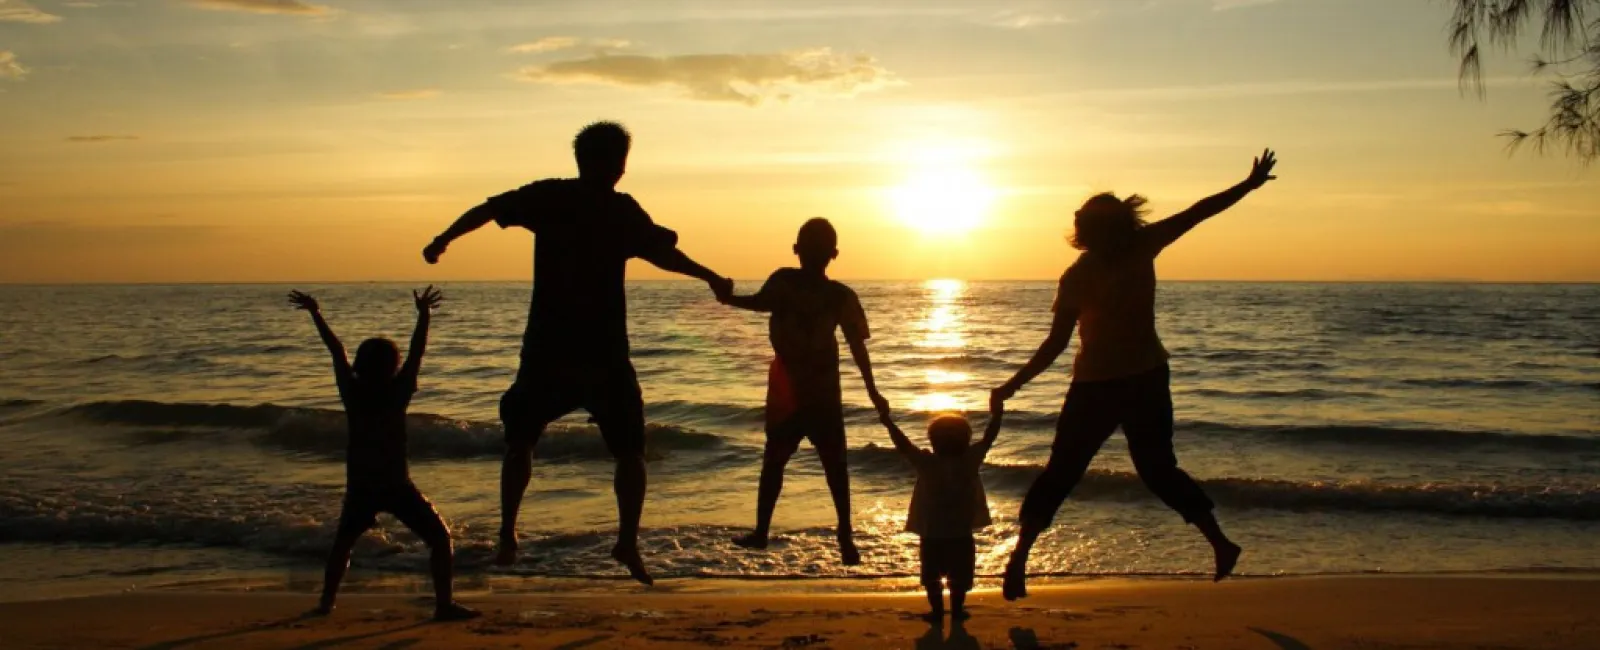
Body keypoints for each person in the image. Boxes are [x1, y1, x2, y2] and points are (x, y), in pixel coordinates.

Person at [421, 121, 733, 585]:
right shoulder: (618, 210)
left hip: (549, 347)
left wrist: (443, 239)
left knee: (523, 442)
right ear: (619, 165)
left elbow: (487, 209)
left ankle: (511, 534)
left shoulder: (550, 197)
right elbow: (664, 255)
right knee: (629, 452)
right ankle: (623, 540)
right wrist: (710, 277)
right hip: (602, 351)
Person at [994, 149, 1280, 600]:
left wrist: (1247, 185)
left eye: (1087, 221)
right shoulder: (1081, 275)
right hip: (1106, 383)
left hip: (1135, 380)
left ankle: (1221, 544)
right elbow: (1055, 343)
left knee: (1154, 471)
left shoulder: (1135, 249)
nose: (1081, 226)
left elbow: (1198, 213)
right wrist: (1012, 384)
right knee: (1064, 473)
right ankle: (1019, 560)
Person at [288, 286, 479, 622]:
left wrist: (316, 313)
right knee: (439, 538)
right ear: (394, 365)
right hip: (395, 483)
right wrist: (424, 316)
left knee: (343, 544)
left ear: (361, 364)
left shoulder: (352, 390)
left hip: (361, 483)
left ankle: (326, 603)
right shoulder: (397, 391)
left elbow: (336, 350)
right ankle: (443, 604)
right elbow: (418, 351)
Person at [717, 218, 880, 565]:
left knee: (776, 462)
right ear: (834, 254)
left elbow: (759, 303)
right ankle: (844, 536)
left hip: (793, 390)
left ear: (796, 249)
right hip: (816, 391)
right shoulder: (838, 295)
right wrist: (873, 392)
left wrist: (729, 299)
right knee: (833, 466)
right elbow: (858, 349)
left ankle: (764, 531)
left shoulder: (790, 282)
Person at [879, 400, 1003, 622]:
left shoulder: (926, 463)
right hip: (961, 534)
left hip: (932, 533)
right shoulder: (969, 460)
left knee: (932, 577)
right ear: (966, 440)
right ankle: (956, 611)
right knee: (960, 578)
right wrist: (998, 413)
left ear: (933, 441)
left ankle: (937, 612)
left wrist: (888, 422)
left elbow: (903, 445)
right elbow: (989, 438)